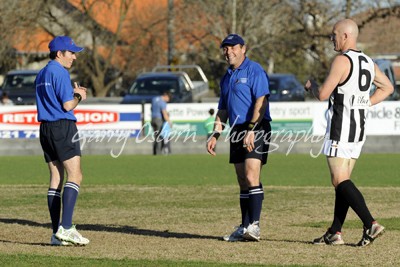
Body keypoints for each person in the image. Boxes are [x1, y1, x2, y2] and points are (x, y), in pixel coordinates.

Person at [305, 19, 394, 247]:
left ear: (345, 36)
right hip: (358, 130)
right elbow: (388, 88)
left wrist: (311, 86)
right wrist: (365, 104)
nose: (332, 39)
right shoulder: (367, 61)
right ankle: (335, 232)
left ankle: (370, 223)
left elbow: (323, 94)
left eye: (334, 34)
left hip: (340, 128)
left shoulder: (342, 60)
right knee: (342, 183)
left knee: (339, 180)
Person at [206, 34, 272, 242]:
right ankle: (244, 226)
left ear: (243, 48)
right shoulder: (226, 77)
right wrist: (215, 134)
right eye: (225, 48)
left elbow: (262, 102)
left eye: (233, 47)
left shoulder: (255, 70)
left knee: (252, 176)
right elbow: (223, 109)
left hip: (256, 127)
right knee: (242, 180)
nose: (228, 51)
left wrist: (252, 128)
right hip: (236, 130)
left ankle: (255, 226)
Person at [35, 36, 90, 246]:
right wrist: (79, 96)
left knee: (56, 179)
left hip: (46, 128)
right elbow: (68, 105)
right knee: (75, 175)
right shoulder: (59, 72)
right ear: (59, 53)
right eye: (71, 53)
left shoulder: (41, 73)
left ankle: (55, 233)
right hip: (62, 127)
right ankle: (66, 228)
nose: (74, 57)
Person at [151, 90, 172, 155]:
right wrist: (169, 122)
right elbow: (164, 113)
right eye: (168, 99)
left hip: (153, 119)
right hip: (159, 120)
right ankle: (158, 152)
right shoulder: (162, 102)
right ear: (166, 96)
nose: (168, 101)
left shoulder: (154, 99)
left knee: (155, 136)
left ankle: (155, 152)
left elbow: (151, 108)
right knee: (159, 137)